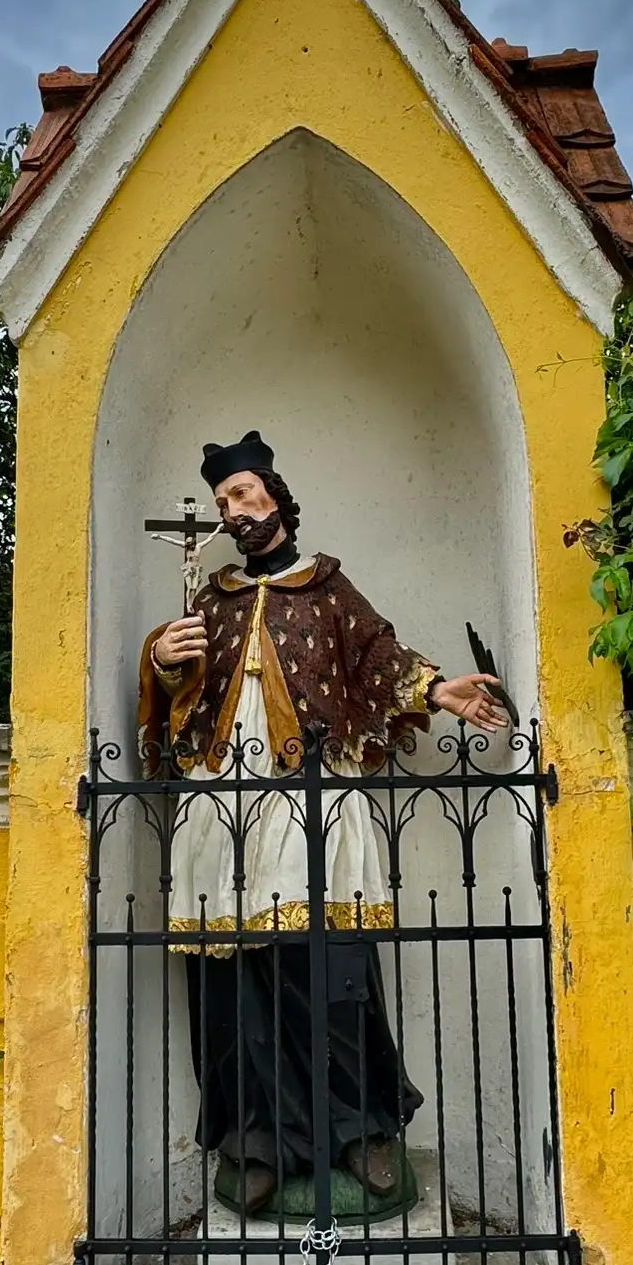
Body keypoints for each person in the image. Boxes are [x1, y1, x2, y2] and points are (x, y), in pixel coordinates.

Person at [139, 429, 506, 1214]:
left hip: (315, 799)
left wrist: (437, 690)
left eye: (243, 493)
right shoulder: (209, 601)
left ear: (276, 493)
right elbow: (174, 696)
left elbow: (380, 658)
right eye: (221, 503)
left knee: (332, 971)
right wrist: (162, 660)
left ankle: (362, 1130)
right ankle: (256, 1139)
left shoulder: (330, 589)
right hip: (222, 806)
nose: (234, 511)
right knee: (234, 984)